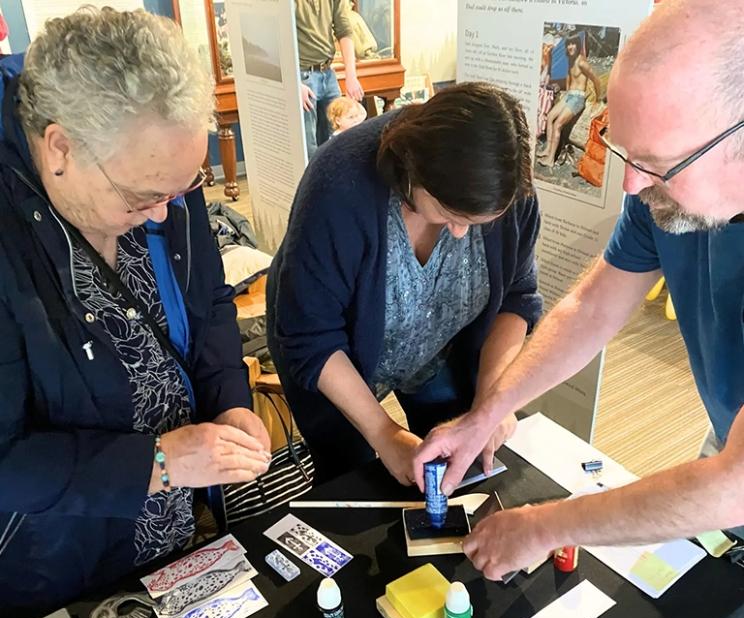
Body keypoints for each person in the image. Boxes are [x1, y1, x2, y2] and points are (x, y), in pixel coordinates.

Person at [413, 0, 744, 581]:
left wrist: (545, 526)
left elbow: (734, 485)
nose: (633, 183)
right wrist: (487, 413)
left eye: (658, 164)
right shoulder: (660, 189)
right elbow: (590, 308)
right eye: (627, 154)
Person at [0, 8, 271, 618]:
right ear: (59, 147)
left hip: (175, 537)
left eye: (182, 190)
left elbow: (207, 305)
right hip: (60, 568)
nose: (161, 216)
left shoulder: (157, 170)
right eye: (142, 196)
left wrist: (230, 400)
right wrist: (156, 462)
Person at [268, 82, 542, 485]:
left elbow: (516, 299)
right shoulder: (340, 184)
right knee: (353, 477)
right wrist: (384, 434)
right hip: (332, 358)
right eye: (450, 215)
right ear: (415, 172)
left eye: (475, 223)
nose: (461, 234)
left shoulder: (508, 187)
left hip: (438, 352)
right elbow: (312, 336)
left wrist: (491, 402)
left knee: (454, 467)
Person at [295, 0, 365, 159]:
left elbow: (344, 30)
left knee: (338, 138)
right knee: (308, 145)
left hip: (328, 73)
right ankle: (313, 183)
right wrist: (294, 82)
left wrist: (351, 76)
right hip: (302, 76)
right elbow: (278, 36)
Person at [537, 34, 603, 168]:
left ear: (578, 45)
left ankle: (550, 159)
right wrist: (564, 93)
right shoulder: (570, 59)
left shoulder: (581, 62)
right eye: (568, 44)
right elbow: (568, 76)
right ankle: (548, 149)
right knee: (550, 117)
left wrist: (598, 99)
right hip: (569, 95)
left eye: (573, 44)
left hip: (578, 97)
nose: (570, 46)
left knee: (557, 125)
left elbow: (596, 80)